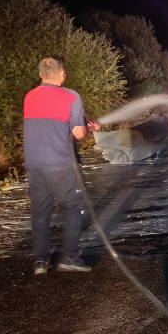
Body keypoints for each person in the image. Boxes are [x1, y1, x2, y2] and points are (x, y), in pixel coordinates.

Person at [23, 56, 99, 275]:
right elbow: (78, 133)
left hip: (35, 165)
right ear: (63, 73)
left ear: (40, 74)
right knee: (74, 207)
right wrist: (88, 128)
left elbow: (48, 124)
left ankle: (40, 262)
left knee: (40, 212)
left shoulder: (30, 96)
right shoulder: (71, 96)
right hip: (61, 164)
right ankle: (69, 257)